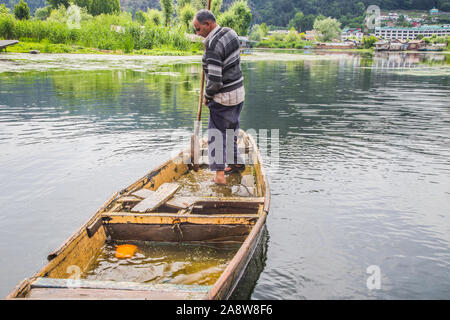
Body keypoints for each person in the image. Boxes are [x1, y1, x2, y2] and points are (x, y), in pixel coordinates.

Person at [193, 9, 245, 185]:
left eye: (198, 29)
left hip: (223, 98)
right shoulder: (230, 33)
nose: (197, 33)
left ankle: (219, 176)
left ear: (208, 24)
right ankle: (235, 162)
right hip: (239, 93)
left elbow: (215, 82)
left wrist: (207, 96)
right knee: (231, 129)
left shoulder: (212, 48)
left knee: (216, 135)